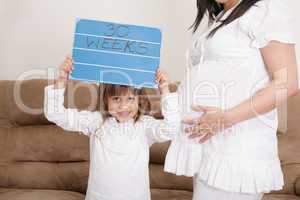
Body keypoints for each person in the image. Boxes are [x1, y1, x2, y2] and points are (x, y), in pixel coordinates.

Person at [164, 0, 299, 200]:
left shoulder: (266, 9)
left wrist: (225, 119)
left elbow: (287, 84)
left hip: (236, 149)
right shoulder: (223, 15)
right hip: (208, 143)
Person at [44, 55, 181, 200]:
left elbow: (171, 129)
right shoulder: (95, 122)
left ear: (138, 100)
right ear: (105, 99)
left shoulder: (144, 126)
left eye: (130, 99)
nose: (123, 106)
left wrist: (165, 89)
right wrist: (61, 80)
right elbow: (55, 114)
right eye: (116, 99)